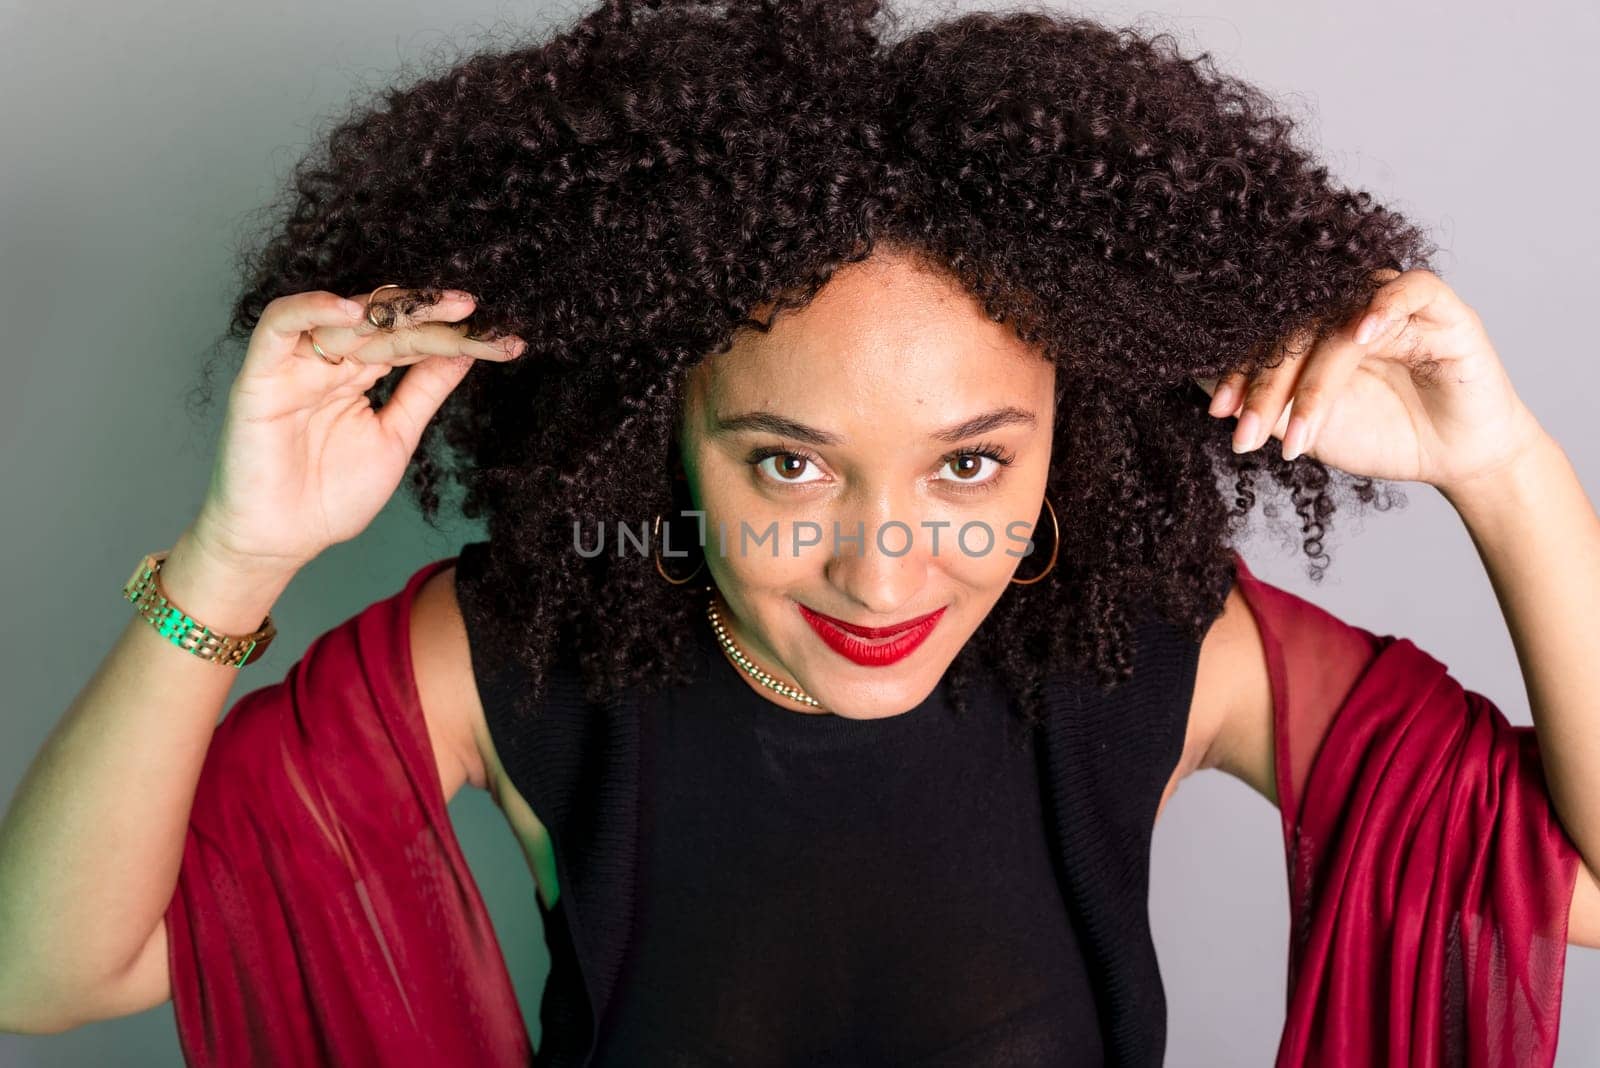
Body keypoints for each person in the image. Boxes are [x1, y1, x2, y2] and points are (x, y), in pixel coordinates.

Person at [0, 1, 1594, 1065]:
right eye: (788, 468)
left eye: (972, 468)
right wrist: (239, 554)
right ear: (658, 445)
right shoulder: (503, 657)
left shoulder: (1168, 646)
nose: (881, 568)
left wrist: (1503, 471)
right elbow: (45, 973)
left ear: (1078, 433)